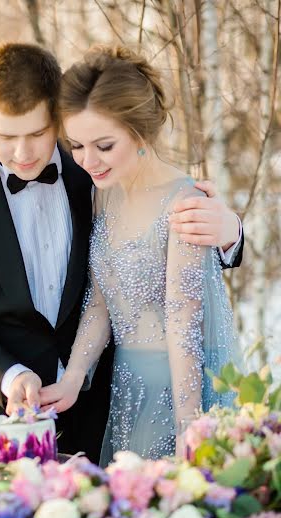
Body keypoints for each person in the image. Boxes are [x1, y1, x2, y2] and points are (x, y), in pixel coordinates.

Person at [0, 43, 243, 465]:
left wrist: (232, 231)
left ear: (56, 116)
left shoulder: (91, 176)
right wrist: (17, 376)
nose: (22, 153)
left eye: (37, 134)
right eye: (5, 137)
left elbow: (178, 303)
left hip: (100, 420)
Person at [39, 45, 241, 465]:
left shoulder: (183, 201)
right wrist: (74, 375)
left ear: (139, 131)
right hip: (125, 387)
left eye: (104, 145)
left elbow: (183, 320)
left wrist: (190, 429)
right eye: (76, 145)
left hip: (175, 388)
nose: (87, 160)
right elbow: (100, 300)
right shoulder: (102, 194)